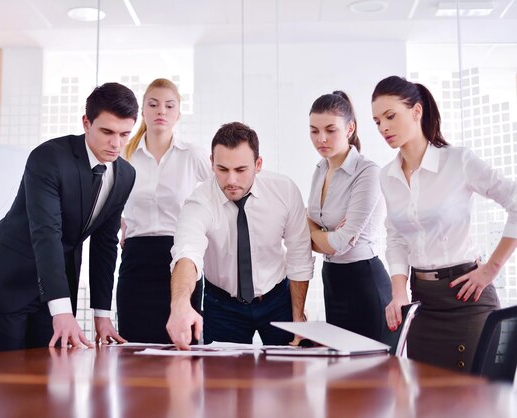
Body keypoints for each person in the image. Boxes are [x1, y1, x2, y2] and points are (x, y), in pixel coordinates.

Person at [0, 82, 139, 353]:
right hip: (8, 281)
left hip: (55, 286)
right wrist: (62, 310)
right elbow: (46, 233)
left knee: (48, 377)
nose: (116, 143)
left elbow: (105, 244)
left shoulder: (125, 175)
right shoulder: (48, 158)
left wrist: (102, 315)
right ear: (86, 123)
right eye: (107, 131)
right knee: (7, 381)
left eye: (124, 134)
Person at [372, 75, 517, 372]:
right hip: (423, 304)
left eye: (390, 116)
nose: (383, 127)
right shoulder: (387, 176)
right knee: (427, 400)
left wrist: (490, 269)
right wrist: (398, 292)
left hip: (468, 298)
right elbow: (396, 238)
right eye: (376, 121)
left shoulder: (459, 161)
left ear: (416, 111)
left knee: (472, 401)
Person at [166, 122, 314, 350]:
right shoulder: (200, 202)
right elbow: (187, 254)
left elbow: (299, 255)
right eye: (223, 170)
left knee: (288, 378)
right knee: (223, 381)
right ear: (212, 164)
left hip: (277, 299)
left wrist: (297, 317)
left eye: (241, 170)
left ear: (258, 164)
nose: (231, 180)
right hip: (222, 304)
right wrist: (180, 304)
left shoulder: (284, 191)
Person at [116, 78, 210, 343]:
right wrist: (122, 223)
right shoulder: (124, 154)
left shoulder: (192, 155)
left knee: (181, 348)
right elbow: (109, 200)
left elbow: (221, 192)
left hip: (180, 260)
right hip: (136, 259)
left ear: (178, 114)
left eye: (169, 106)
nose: (161, 111)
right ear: (142, 111)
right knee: (133, 349)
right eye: (153, 105)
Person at [307, 91, 392, 342]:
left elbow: (341, 243)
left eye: (330, 130)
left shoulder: (367, 172)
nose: (321, 138)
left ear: (349, 128)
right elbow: (312, 228)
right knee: (340, 374)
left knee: (372, 374)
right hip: (332, 280)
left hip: (364, 281)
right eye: (314, 130)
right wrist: (325, 235)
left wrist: (314, 233)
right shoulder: (320, 169)